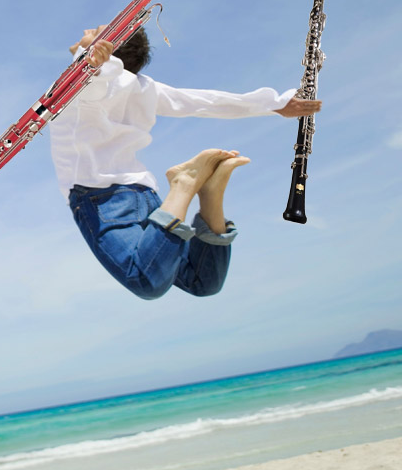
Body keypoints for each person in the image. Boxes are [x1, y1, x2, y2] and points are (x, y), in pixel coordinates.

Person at [49, 25, 321, 300]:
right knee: (202, 281)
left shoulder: (85, 81)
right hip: (142, 194)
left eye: (97, 30)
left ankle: (184, 184)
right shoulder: (142, 86)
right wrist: (273, 104)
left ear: (107, 48)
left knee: (144, 281)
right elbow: (204, 102)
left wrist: (90, 63)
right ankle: (210, 195)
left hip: (97, 198)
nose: (86, 28)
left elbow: (93, 85)